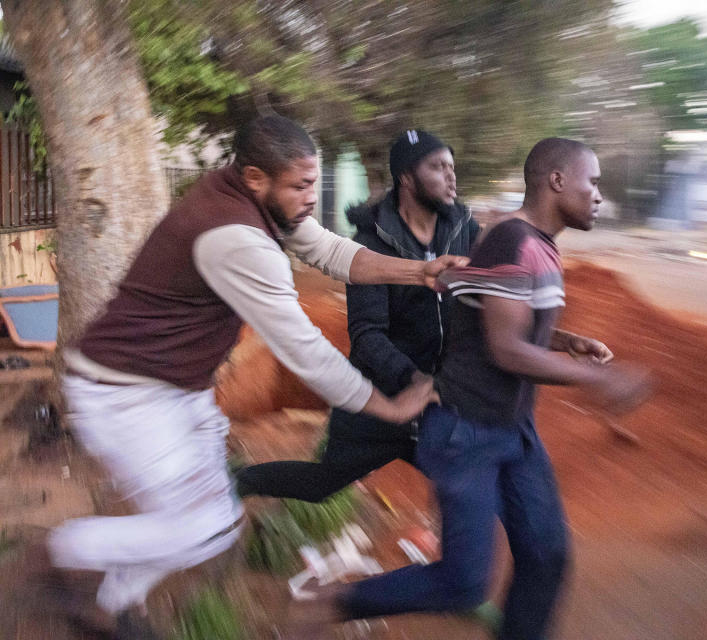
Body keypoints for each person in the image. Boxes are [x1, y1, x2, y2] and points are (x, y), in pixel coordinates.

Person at [41, 116, 466, 639]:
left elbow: (330, 251)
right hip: (123, 393)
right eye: (302, 186)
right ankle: (66, 549)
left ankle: (114, 602)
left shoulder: (262, 198)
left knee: (208, 516)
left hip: (177, 388)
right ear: (255, 179)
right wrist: (387, 406)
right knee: (206, 526)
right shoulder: (235, 237)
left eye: (314, 182)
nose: (311, 197)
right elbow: (303, 349)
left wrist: (416, 271)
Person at [300, 138, 653, 639]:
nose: (598, 194)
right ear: (556, 181)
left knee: (546, 555)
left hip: (513, 429)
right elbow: (507, 348)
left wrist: (565, 340)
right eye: (591, 182)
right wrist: (599, 378)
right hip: (466, 432)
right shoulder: (513, 240)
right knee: (465, 583)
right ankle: (335, 601)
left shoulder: (537, 243)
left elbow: (501, 316)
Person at [235, 129, 479, 503]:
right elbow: (367, 336)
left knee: (470, 493)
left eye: (452, 166)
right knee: (321, 485)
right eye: (438, 166)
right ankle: (237, 483)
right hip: (379, 403)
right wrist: (414, 380)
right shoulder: (372, 243)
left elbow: (485, 301)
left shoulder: (464, 227)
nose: (451, 176)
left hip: (441, 402)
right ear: (407, 178)